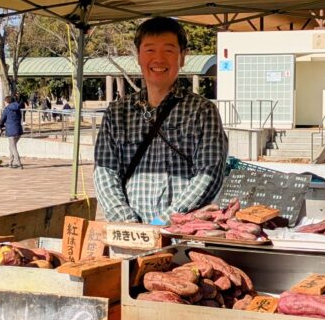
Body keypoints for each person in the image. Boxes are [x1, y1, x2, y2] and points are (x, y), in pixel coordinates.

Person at [94, 17, 227, 223]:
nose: (158, 59)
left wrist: (164, 222)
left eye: (168, 50)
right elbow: (105, 172)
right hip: (129, 235)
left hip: (182, 235)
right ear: (138, 56)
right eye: (149, 50)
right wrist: (127, 221)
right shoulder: (116, 112)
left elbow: (209, 174)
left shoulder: (203, 111)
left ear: (182, 57)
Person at [0, 91, 24, 169]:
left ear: (7, 102)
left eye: (5, 102)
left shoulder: (7, 109)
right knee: (12, 146)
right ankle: (10, 163)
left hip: (11, 131)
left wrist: (1, 126)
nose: (4, 103)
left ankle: (19, 164)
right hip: (18, 130)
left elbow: (2, 120)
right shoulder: (18, 108)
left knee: (13, 147)